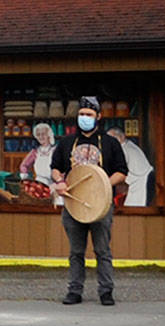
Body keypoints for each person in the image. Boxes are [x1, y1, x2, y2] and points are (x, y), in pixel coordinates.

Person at [50, 96, 127, 306]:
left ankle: (106, 291)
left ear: (98, 117)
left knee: (102, 250)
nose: (85, 118)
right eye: (82, 114)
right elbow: (56, 167)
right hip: (73, 205)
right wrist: (60, 181)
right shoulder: (66, 143)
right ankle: (74, 291)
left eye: (89, 115)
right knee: (76, 251)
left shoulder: (110, 143)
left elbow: (122, 172)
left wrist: (102, 186)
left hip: (100, 205)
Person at [107, 127, 154, 208]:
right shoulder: (127, 146)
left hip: (142, 182)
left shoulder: (125, 149)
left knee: (133, 209)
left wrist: (105, 183)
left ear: (121, 137)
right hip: (138, 182)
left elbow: (119, 173)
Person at [19, 122, 56, 186]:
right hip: (38, 184)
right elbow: (23, 165)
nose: (41, 137)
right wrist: (25, 177)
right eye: (38, 135)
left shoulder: (55, 150)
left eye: (43, 134)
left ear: (49, 135)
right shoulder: (35, 152)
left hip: (53, 184)